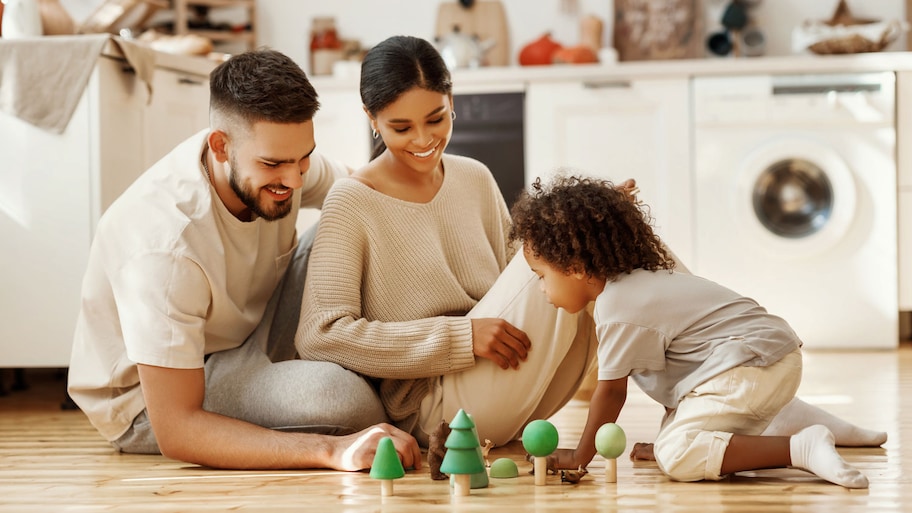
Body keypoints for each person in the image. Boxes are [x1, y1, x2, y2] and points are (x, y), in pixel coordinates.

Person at [67, 48, 421, 471]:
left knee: (347, 218)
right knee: (343, 401)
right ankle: (364, 399)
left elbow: (367, 194)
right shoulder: (164, 246)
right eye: (273, 164)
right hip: (155, 398)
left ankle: (385, 380)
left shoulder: (278, 160)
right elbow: (177, 428)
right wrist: (331, 450)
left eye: (303, 158)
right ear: (220, 146)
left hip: (248, 331)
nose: (292, 181)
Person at [294, 34, 610, 450]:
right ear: (372, 119)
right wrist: (460, 337)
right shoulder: (351, 200)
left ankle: (707, 377)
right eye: (401, 127)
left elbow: (528, 282)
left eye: (436, 118)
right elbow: (319, 335)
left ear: (451, 100)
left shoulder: (474, 176)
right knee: (584, 228)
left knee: (606, 234)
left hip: (513, 376)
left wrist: (603, 223)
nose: (423, 140)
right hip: (436, 410)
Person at [508, 174, 885, 488]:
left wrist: (580, 455)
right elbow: (684, 376)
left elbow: (610, 394)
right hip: (762, 358)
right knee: (674, 439)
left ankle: (801, 447)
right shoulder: (637, 284)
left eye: (542, 276)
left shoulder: (616, 306)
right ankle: (812, 426)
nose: (542, 290)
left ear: (574, 266)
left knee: (678, 456)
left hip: (751, 365)